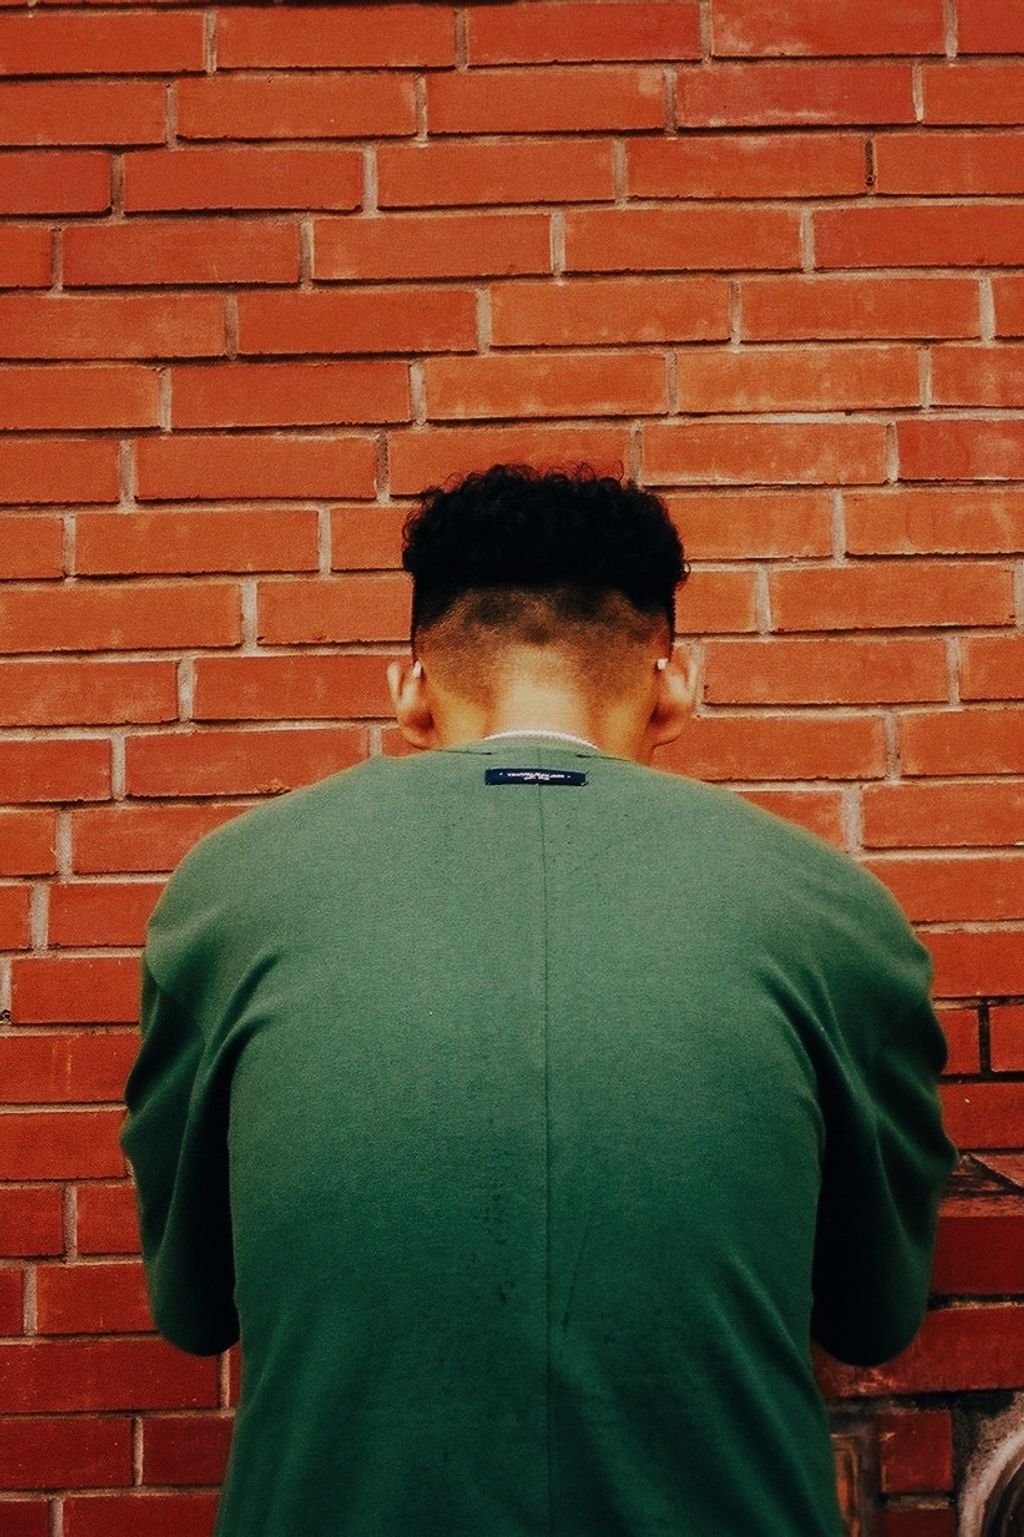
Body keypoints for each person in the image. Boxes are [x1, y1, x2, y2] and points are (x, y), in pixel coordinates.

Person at [119, 462, 959, 1537]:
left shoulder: (228, 894)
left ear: (412, 688)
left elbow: (192, 1307)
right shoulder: (834, 912)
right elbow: (875, 1314)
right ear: (673, 686)